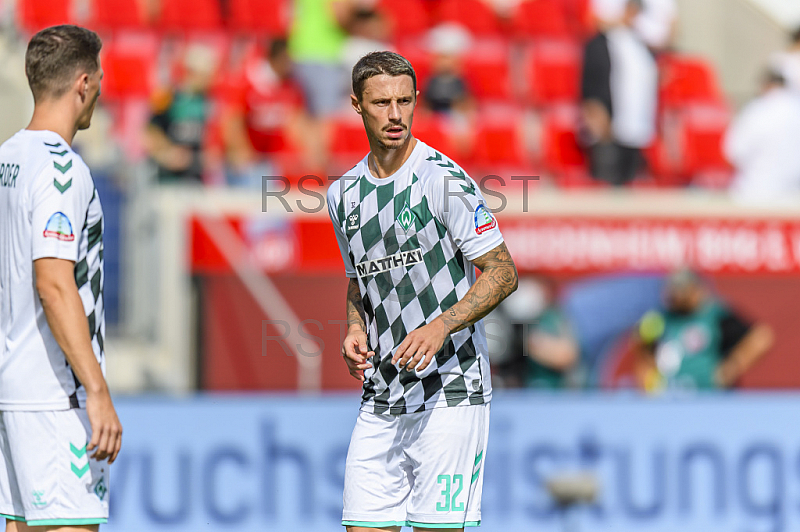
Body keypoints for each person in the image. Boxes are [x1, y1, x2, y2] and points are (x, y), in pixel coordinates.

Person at [327, 51, 518, 531]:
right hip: (383, 395)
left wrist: (442, 325)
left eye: (405, 101)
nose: (395, 115)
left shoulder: (444, 181)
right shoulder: (342, 195)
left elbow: (502, 272)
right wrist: (354, 327)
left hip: (450, 391)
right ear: (356, 105)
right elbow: (360, 280)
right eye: (382, 102)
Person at [0, 25, 122, 530]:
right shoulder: (61, 168)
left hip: (12, 385)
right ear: (84, 84)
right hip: (54, 393)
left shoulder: (7, 158)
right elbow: (53, 282)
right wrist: (95, 390)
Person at [633, 270, 773, 392]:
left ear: (696, 289)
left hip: (710, 399)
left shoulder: (715, 316)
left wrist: (730, 369)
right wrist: (648, 379)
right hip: (671, 399)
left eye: (682, 289)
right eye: (673, 289)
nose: (676, 294)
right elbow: (642, 348)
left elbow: (762, 337)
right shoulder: (661, 318)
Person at [581, 0, 658, 185]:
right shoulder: (600, 42)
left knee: (629, 180)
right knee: (607, 180)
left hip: (635, 125)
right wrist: (595, 109)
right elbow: (591, 79)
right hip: (608, 124)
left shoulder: (638, 43)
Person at [143, 43, 218, 184]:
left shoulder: (208, 100)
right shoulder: (169, 96)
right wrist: (168, 152)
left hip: (195, 174)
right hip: (168, 175)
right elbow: (151, 130)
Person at [724, 69, 800, 205]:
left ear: (765, 85)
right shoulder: (796, 110)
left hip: (756, 195)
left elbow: (734, 153)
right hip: (794, 197)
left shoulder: (756, 111)